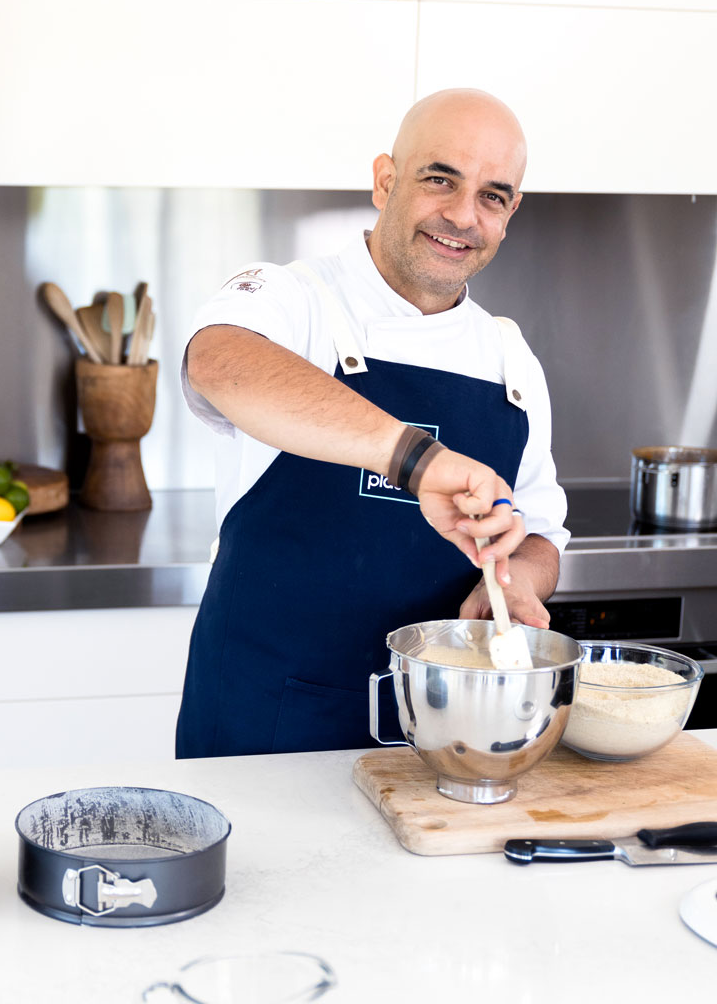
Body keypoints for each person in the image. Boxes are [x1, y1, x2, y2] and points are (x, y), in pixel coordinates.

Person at [176, 88, 569, 759]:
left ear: (510, 215)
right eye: (439, 179)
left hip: (442, 742)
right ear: (386, 180)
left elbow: (541, 532)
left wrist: (514, 579)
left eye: (492, 196)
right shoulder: (292, 297)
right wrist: (419, 462)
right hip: (266, 727)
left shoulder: (510, 358)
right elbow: (219, 363)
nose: (462, 216)